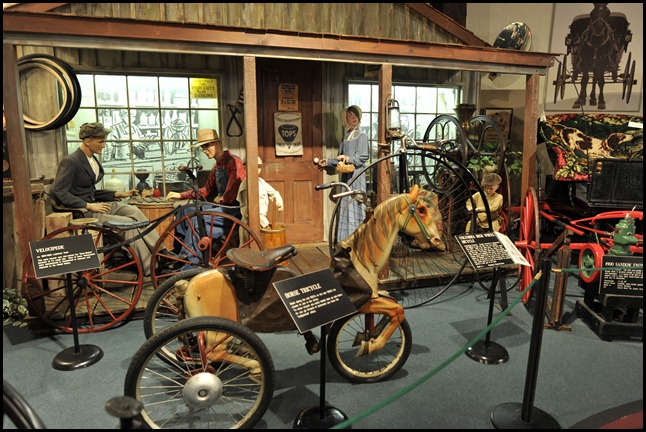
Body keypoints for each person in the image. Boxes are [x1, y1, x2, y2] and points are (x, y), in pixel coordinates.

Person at [50, 122, 169, 276]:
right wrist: (87, 206)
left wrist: (117, 195)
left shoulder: (91, 159)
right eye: (100, 141)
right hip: (82, 212)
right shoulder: (71, 161)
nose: (104, 145)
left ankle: (161, 252)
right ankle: (150, 267)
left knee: (133, 210)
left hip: (95, 205)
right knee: (127, 223)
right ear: (87, 141)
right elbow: (58, 191)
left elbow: (90, 191)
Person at [166, 128, 246, 267]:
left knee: (199, 220)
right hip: (222, 207)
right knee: (184, 210)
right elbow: (206, 191)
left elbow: (234, 189)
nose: (204, 150)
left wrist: (221, 199)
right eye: (203, 147)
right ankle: (180, 254)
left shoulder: (234, 162)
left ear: (217, 143)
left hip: (234, 210)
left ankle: (190, 263)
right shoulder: (217, 166)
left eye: (207, 145)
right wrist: (180, 195)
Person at [317, 105, 369, 240]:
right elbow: (340, 157)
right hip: (346, 176)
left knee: (356, 203)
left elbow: (363, 157)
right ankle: (345, 239)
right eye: (350, 116)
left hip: (357, 175)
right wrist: (328, 162)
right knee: (346, 204)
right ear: (346, 119)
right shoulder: (345, 138)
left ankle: (358, 238)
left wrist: (349, 158)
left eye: (355, 115)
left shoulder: (362, 136)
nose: (353, 118)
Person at [237, 156, 284, 242]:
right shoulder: (245, 186)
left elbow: (273, 193)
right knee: (249, 249)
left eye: (259, 167)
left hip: (261, 223)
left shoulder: (261, 182)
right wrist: (265, 224)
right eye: (254, 167)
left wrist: (279, 202)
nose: (257, 170)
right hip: (250, 225)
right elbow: (250, 210)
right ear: (245, 167)